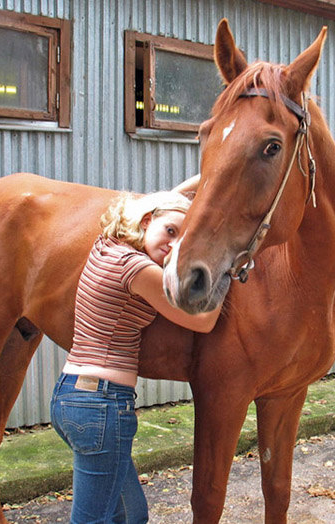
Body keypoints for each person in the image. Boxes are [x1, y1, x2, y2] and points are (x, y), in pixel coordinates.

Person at [50, 179, 221, 524]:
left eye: (181, 239)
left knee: (131, 514)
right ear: (146, 221)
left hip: (72, 398)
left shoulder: (108, 244)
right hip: (102, 405)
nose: (173, 246)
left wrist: (207, 180)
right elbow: (203, 322)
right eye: (170, 232)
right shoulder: (137, 269)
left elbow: (165, 204)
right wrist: (223, 270)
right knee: (92, 520)